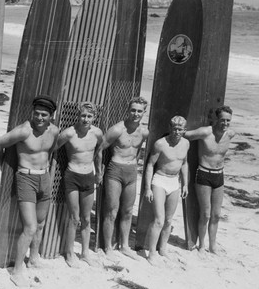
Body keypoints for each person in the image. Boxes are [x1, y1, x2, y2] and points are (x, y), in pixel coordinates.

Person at [0, 95, 59, 287]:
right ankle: (16, 270)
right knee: (29, 227)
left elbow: (51, 150)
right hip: (25, 178)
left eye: (44, 115)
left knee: (39, 224)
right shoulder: (23, 130)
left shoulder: (54, 131)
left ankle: (34, 259)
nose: (39, 118)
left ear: (51, 116)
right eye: (37, 113)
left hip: (44, 178)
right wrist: (3, 166)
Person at [96, 96, 149, 261]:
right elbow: (99, 148)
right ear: (128, 110)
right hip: (115, 171)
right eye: (133, 110)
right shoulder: (118, 129)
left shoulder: (144, 132)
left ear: (144, 113)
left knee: (127, 211)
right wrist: (99, 172)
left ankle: (124, 245)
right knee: (111, 210)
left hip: (132, 171)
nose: (135, 114)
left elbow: (138, 151)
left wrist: (134, 165)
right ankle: (107, 247)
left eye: (139, 111)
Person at [55, 101, 103, 268]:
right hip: (72, 175)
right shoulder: (69, 133)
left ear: (94, 117)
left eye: (89, 116)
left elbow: (98, 152)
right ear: (77, 115)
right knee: (74, 218)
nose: (86, 119)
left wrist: (99, 172)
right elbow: (53, 148)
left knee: (86, 218)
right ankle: (69, 254)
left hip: (88, 176)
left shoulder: (97, 133)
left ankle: (84, 253)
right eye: (83, 115)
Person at [184, 105, 236, 256]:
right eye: (222, 120)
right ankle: (201, 245)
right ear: (216, 119)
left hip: (219, 175)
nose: (225, 123)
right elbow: (184, 134)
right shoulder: (205, 132)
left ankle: (213, 246)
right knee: (205, 214)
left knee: (216, 214)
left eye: (228, 120)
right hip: (204, 174)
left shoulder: (231, 134)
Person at [142, 116, 189, 266]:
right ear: (170, 128)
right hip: (160, 180)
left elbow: (184, 164)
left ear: (184, 130)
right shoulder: (160, 144)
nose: (177, 131)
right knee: (158, 220)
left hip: (174, 182)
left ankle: (162, 249)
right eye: (174, 128)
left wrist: (185, 184)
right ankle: (151, 253)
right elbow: (150, 165)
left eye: (180, 129)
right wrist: (147, 188)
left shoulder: (186, 144)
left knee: (169, 220)